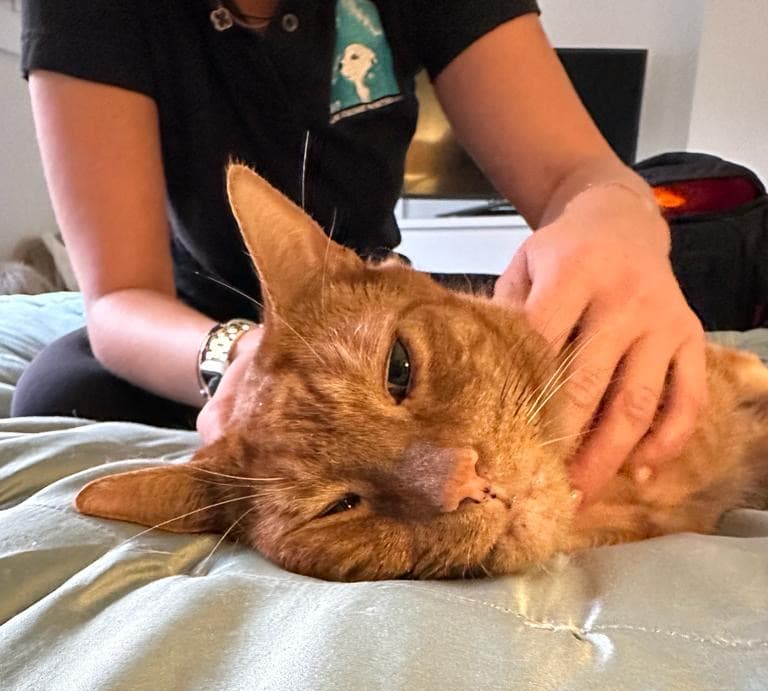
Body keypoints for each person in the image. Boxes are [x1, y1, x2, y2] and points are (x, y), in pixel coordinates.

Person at [13, 0, 706, 503]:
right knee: (59, 391)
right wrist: (243, 361)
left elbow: (574, 174)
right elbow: (117, 299)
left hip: (373, 306)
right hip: (202, 332)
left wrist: (619, 217)